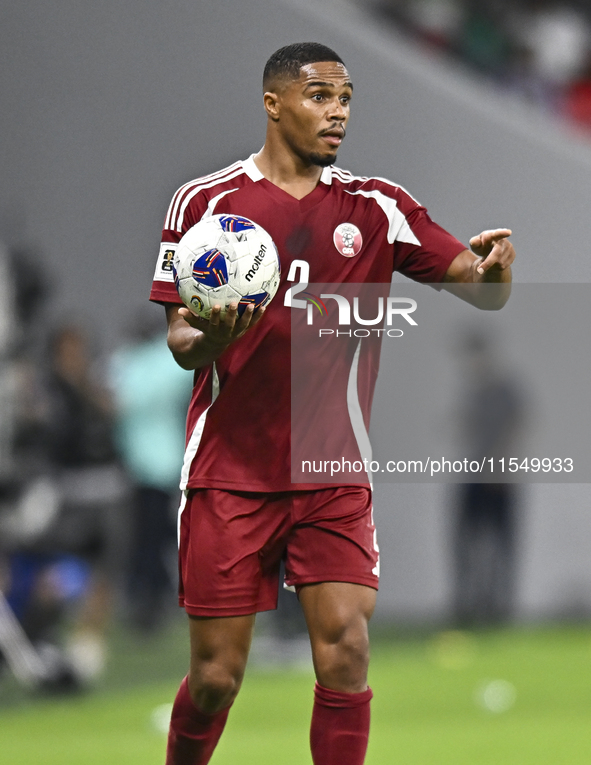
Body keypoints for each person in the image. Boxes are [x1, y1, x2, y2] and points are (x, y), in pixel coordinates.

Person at [150, 42, 515, 765]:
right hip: (230, 471)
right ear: (273, 104)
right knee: (217, 676)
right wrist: (212, 332)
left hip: (333, 470)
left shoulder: (376, 207)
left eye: (345, 98)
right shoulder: (204, 203)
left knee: (346, 648)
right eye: (319, 96)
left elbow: (479, 286)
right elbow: (181, 341)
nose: (337, 112)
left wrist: (494, 271)